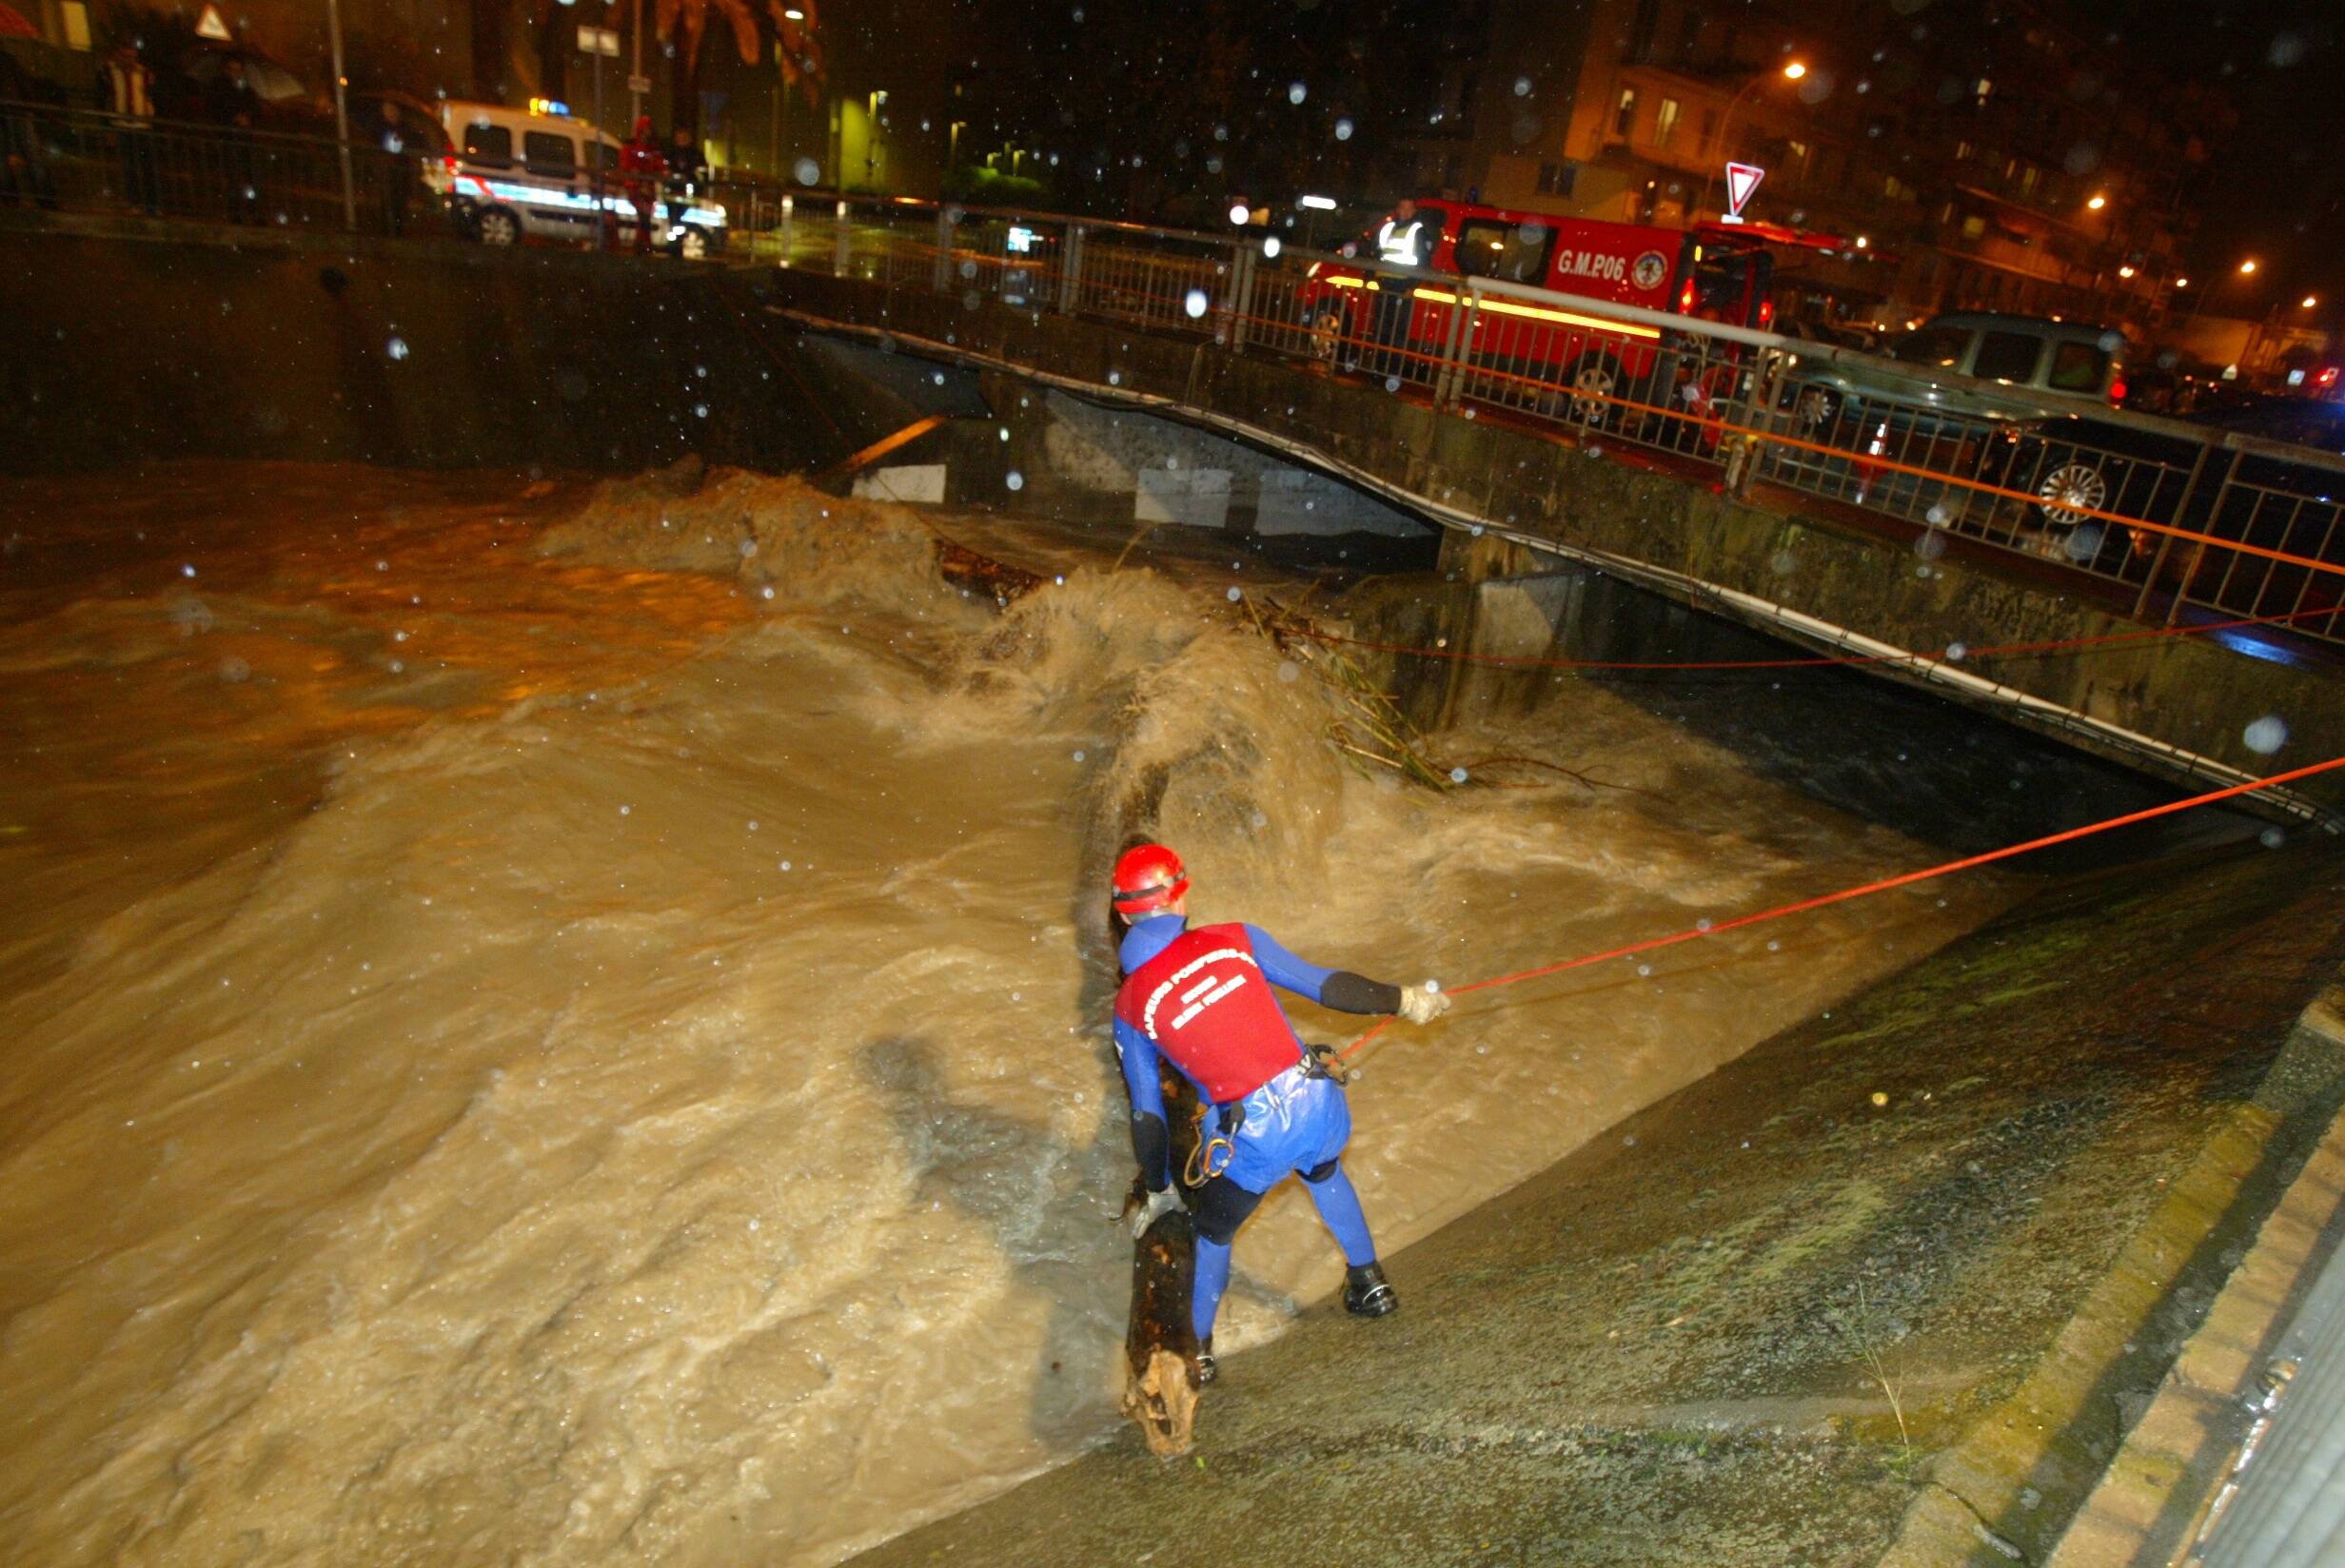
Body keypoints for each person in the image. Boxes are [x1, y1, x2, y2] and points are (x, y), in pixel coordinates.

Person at [1109, 843, 1448, 1384]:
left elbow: (1147, 1113)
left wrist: (1157, 1190)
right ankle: (1370, 1282)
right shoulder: (1235, 938)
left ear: (1124, 914)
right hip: (1318, 1102)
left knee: (1214, 1230)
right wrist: (1402, 999)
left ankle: (1198, 1349)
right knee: (1324, 1171)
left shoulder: (1131, 1006)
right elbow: (1327, 985)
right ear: (1181, 894)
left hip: (1255, 1135)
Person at [1370, 197, 1431, 379]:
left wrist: (1412, 286)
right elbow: (1375, 254)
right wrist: (1369, 278)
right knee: (1381, 331)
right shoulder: (1387, 229)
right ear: (1397, 209)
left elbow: (1424, 262)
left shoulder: (1418, 232)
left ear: (1414, 211)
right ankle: (1379, 371)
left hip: (1402, 289)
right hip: (1385, 287)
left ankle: (1392, 374)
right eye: (1402, 208)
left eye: (1408, 209)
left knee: (1396, 334)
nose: (1405, 212)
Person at [104, 44, 160, 216]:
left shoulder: (143, 73)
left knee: (147, 167)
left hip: (141, 125)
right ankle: (135, 202)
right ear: (118, 56)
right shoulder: (110, 73)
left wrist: (149, 113)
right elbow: (106, 96)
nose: (129, 61)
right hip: (122, 124)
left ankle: (151, 204)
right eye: (125, 56)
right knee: (130, 166)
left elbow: (150, 94)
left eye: (132, 57)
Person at [617, 115, 664, 255]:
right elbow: (626, 165)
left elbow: (659, 165)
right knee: (644, 217)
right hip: (635, 187)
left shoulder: (652, 149)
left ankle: (643, 244)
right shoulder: (632, 147)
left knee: (645, 217)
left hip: (646, 188)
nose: (647, 132)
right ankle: (642, 244)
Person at [373, 100, 416, 236]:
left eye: (391, 111)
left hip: (399, 171)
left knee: (398, 202)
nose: (389, 114)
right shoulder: (383, 128)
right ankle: (388, 229)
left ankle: (396, 230)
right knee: (388, 201)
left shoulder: (402, 128)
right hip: (390, 170)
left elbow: (404, 147)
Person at [662, 124, 706, 250]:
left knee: (679, 219)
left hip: (688, 194)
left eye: (684, 137)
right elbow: (664, 170)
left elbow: (702, 174)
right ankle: (675, 242)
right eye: (679, 137)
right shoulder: (670, 153)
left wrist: (692, 181)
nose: (681, 140)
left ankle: (676, 242)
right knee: (674, 219)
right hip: (672, 193)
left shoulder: (696, 155)